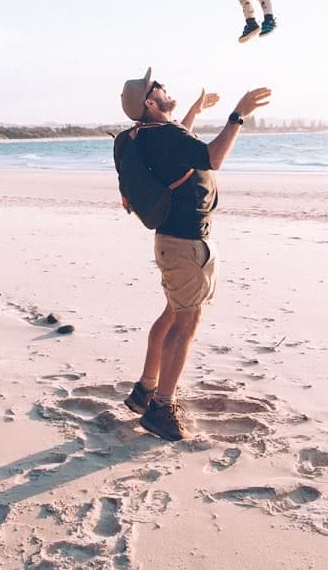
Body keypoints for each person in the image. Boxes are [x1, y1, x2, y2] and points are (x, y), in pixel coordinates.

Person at [115, 68, 272, 441]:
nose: (165, 87)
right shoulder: (165, 135)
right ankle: (161, 408)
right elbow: (211, 157)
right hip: (185, 243)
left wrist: (195, 113)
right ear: (150, 103)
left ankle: (145, 390)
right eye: (159, 87)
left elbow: (178, 146)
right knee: (186, 321)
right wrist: (238, 115)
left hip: (173, 241)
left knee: (173, 312)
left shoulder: (147, 135)